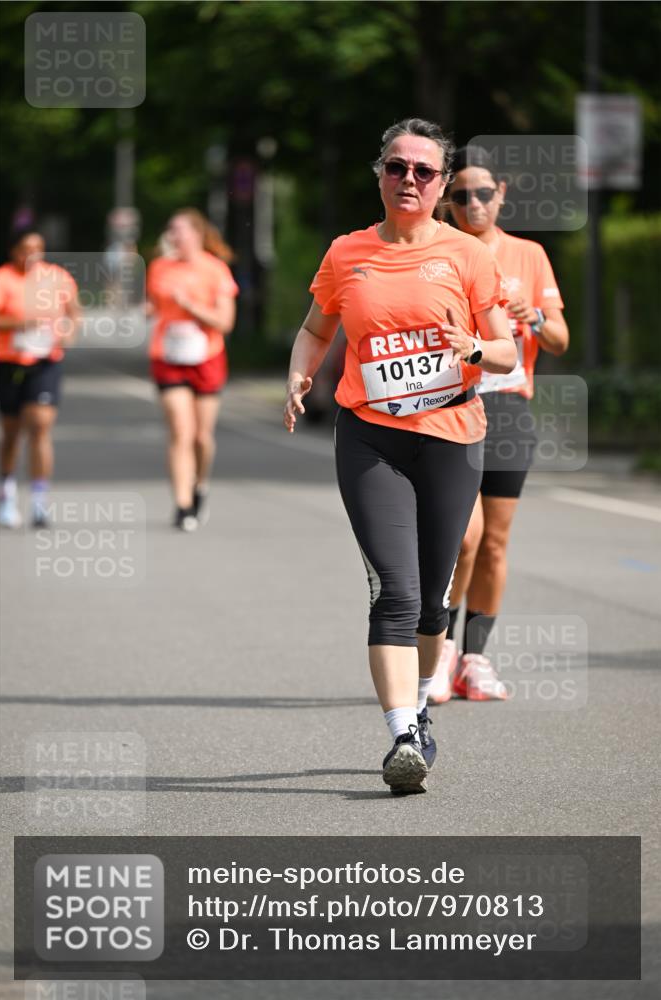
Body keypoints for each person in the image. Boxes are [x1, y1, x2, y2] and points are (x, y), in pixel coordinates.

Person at [283, 119, 517, 795]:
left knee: (433, 603)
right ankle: (403, 734)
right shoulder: (346, 252)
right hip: (370, 435)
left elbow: (502, 349)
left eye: (422, 171)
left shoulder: (468, 256)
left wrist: (472, 349)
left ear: (442, 184)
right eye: (395, 167)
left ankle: (418, 703)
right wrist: (301, 375)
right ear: (378, 173)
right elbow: (313, 327)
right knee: (395, 590)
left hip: (450, 438)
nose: (407, 179)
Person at [428, 145, 569, 703]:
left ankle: (475, 658)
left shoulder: (528, 256)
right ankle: (438, 650)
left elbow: (559, 338)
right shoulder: (438, 253)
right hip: (452, 403)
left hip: (508, 404)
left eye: (483, 193)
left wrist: (532, 316)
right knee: (464, 539)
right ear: (448, 199)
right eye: (460, 195)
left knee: (494, 544)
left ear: (502, 194)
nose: (472, 204)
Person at [146, 209, 238, 531]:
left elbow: (225, 322)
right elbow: (153, 306)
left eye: (179, 230)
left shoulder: (215, 270)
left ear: (197, 234)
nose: (174, 236)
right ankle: (183, 504)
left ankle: (200, 486)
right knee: (180, 432)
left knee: (201, 436)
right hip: (167, 355)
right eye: (170, 230)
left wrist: (190, 306)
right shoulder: (159, 268)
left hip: (206, 357)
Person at [0, 229, 80, 528]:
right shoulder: (2, 279)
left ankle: (39, 499)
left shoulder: (56, 277)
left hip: (46, 361)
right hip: (9, 362)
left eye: (38, 248)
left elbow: (73, 313)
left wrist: (68, 332)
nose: (32, 254)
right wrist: (22, 322)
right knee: (11, 432)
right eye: (25, 248)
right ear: (13, 251)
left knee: (41, 425)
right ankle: (5, 492)